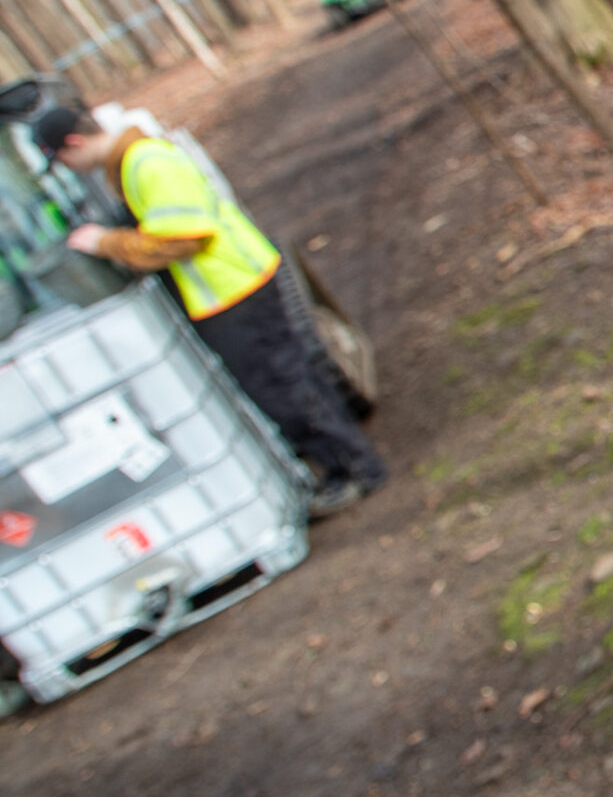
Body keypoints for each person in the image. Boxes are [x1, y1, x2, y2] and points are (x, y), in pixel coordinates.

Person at [34, 107, 386, 517]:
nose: (69, 168)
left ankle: (355, 469)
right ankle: (348, 462)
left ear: (73, 143)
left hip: (234, 291)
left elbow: (183, 239)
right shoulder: (131, 165)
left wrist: (107, 243)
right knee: (291, 382)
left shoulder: (146, 164)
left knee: (286, 389)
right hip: (229, 291)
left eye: (63, 159)